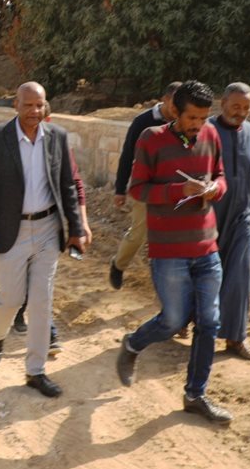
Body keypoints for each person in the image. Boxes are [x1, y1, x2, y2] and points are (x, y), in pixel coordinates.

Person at [116, 80, 232, 424]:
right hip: (168, 250)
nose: (198, 124)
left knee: (209, 322)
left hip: (206, 245)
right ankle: (133, 344)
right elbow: (138, 189)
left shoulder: (211, 135)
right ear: (175, 112)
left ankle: (195, 394)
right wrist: (177, 190)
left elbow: (221, 176)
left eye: (203, 118)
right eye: (192, 117)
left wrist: (215, 189)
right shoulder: (151, 139)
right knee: (172, 320)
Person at [0, 82, 86, 398]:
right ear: (15, 105)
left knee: (41, 301)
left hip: (48, 228)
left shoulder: (57, 136)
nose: (34, 111)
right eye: (28, 105)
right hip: (12, 230)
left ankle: (35, 371)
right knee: (12, 298)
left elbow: (67, 185)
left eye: (39, 105)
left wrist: (76, 228)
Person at [13, 101, 93, 356]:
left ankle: (48, 333)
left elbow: (75, 184)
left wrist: (81, 223)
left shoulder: (58, 145)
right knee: (22, 279)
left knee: (42, 281)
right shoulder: (10, 144)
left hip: (48, 225)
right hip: (17, 226)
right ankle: (16, 310)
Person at [211, 83, 250, 361]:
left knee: (240, 276)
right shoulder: (206, 130)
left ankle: (236, 338)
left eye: (246, 108)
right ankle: (183, 320)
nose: (241, 112)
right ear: (223, 103)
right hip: (209, 216)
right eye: (236, 106)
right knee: (202, 274)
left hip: (241, 217)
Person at [109, 82, 181, 289]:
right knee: (139, 233)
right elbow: (127, 155)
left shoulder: (183, 121)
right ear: (165, 99)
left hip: (173, 187)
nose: (178, 108)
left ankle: (167, 280)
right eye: (175, 103)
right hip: (145, 186)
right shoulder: (143, 122)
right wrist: (120, 189)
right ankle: (118, 265)